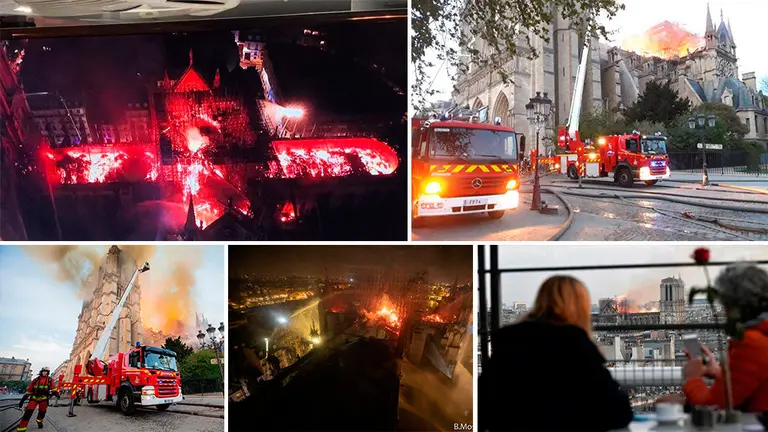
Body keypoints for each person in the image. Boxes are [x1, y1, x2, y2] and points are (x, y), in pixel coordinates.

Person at [479, 275, 633, 432]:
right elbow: (616, 410)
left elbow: (484, 404)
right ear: (580, 307)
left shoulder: (508, 340)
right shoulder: (575, 344)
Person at [682, 264, 768, 411]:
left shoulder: (752, 342)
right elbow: (754, 378)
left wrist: (692, 377)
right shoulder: (762, 334)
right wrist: (719, 372)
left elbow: (712, 405)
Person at [17, 366, 54, 430]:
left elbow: (53, 388)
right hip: (34, 399)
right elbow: (29, 390)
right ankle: (21, 429)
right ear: (41, 372)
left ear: (48, 373)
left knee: (42, 412)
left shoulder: (50, 380)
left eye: (46, 372)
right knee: (27, 413)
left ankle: (39, 421)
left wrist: (56, 393)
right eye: (43, 371)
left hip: (44, 399)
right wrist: (22, 400)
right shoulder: (35, 380)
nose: (45, 373)